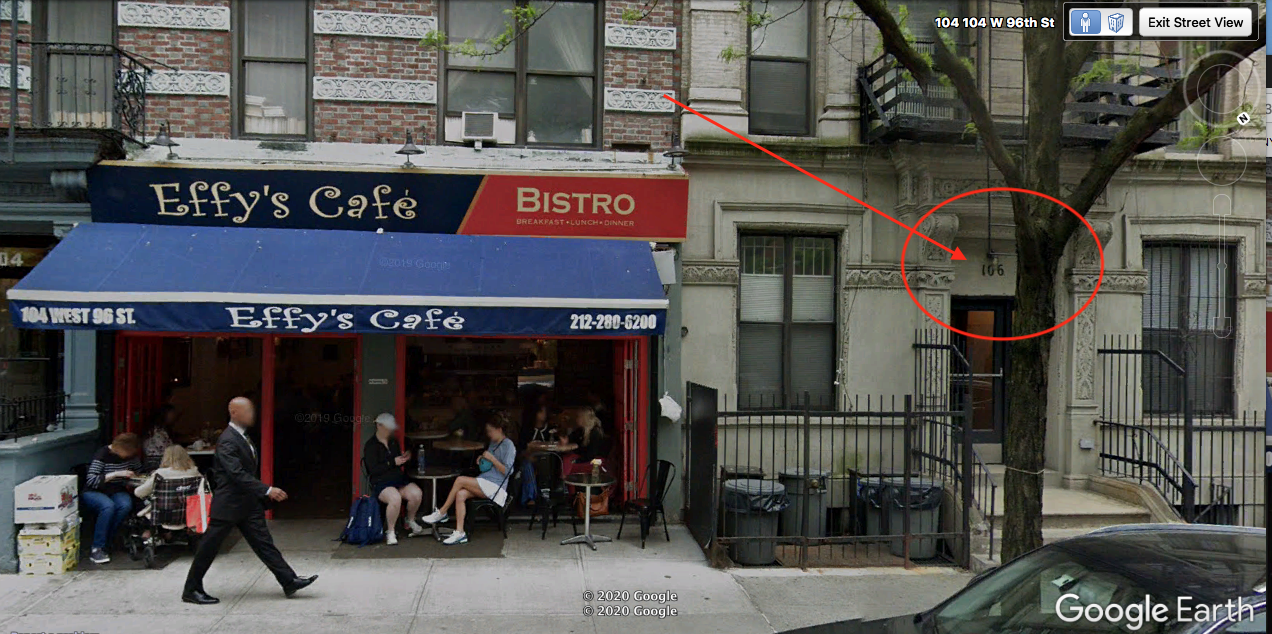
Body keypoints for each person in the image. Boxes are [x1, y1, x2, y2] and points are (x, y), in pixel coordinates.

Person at [182, 397, 317, 605]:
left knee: (264, 543)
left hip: (247, 503)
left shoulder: (243, 436)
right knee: (208, 548)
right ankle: (191, 590)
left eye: (252, 411)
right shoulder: (228, 439)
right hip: (229, 504)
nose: (252, 415)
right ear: (234, 413)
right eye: (247, 411)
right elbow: (236, 473)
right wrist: (267, 490)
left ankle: (288, 580)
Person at [421, 413, 517, 545]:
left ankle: (442, 512)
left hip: (496, 487)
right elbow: (489, 465)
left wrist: (492, 459)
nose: (488, 434)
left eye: (490, 431)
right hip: (486, 481)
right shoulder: (493, 443)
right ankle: (460, 532)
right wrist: (482, 459)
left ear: (499, 430)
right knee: (460, 494)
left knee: (460, 480)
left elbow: (508, 471)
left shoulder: (509, 446)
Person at [363, 413, 427, 545]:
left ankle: (410, 520)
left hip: (398, 480)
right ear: (379, 426)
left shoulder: (393, 442)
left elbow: (398, 463)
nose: (390, 430)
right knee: (395, 498)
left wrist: (405, 458)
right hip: (381, 483)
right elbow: (373, 470)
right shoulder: (371, 445)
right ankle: (390, 531)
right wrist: (393, 462)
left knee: (416, 493)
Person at [83, 433, 145, 564]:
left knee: (125, 505)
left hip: (116, 490)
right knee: (107, 506)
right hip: (95, 491)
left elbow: (139, 471)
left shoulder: (132, 457)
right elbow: (91, 480)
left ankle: (109, 539)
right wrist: (116, 474)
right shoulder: (102, 454)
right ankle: (97, 547)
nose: (128, 457)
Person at [134, 444, 201, 499]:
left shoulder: (160, 474)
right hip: (189, 509)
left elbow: (139, 493)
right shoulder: (194, 472)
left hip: (164, 509)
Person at [559, 407, 609, 477]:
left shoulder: (595, 432)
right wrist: (566, 439)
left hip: (595, 461)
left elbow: (590, 454)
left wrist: (576, 460)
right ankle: (564, 480)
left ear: (584, 419)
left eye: (579, 417)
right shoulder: (581, 430)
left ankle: (565, 480)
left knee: (568, 461)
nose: (576, 419)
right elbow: (571, 439)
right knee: (566, 458)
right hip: (585, 457)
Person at [143, 406, 177, 471]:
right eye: (172, 414)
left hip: (158, 459)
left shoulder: (162, 429)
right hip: (156, 461)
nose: (174, 417)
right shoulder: (156, 431)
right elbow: (165, 448)